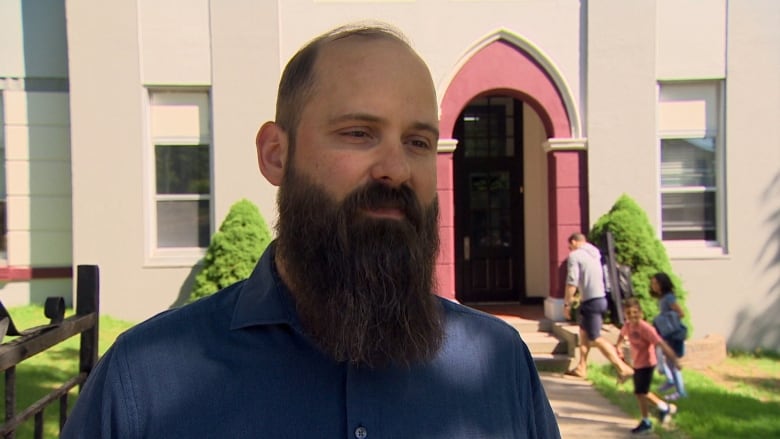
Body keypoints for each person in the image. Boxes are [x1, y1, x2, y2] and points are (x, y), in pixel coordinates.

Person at [61, 22, 560, 438]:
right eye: (359, 133)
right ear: (275, 154)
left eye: (418, 141)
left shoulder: (499, 366)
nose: (396, 168)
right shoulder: (145, 381)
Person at [563, 232, 633, 380]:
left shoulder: (575, 256)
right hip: (599, 299)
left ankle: (622, 367)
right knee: (584, 334)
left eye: (570, 246)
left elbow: (572, 281)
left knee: (595, 337)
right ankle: (582, 367)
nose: (570, 249)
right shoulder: (596, 253)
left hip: (591, 301)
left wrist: (567, 303)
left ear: (574, 242)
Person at [616, 298, 681, 435]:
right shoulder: (628, 326)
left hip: (647, 364)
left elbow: (660, 344)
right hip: (637, 363)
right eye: (628, 313)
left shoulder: (646, 328)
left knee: (642, 392)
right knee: (640, 393)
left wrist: (674, 359)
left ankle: (647, 422)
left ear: (641, 313)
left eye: (635, 313)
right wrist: (618, 346)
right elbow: (622, 335)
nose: (632, 316)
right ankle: (665, 408)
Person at [650, 272, 687, 400]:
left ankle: (680, 391)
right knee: (665, 358)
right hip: (666, 333)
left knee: (672, 361)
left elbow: (681, 313)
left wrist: (665, 320)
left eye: (656, 283)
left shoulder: (669, 298)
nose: (653, 286)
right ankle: (671, 381)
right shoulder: (662, 298)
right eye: (652, 283)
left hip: (673, 333)